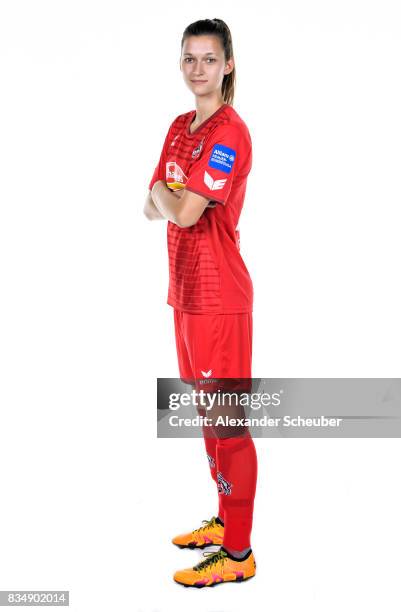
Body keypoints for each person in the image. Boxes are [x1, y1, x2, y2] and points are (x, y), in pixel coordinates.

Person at [144, 18, 258, 588]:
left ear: (227, 65)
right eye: (189, 58)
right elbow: (151, 203)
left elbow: (181, 210)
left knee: (229, 424)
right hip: (184, 294)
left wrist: (172, 194)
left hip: (220, 298)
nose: (197, 69)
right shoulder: (178, 126)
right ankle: (224, 520)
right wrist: (172, 195)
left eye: (208, 59)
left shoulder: (229, 132)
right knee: (207, 418)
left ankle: (238, 556)